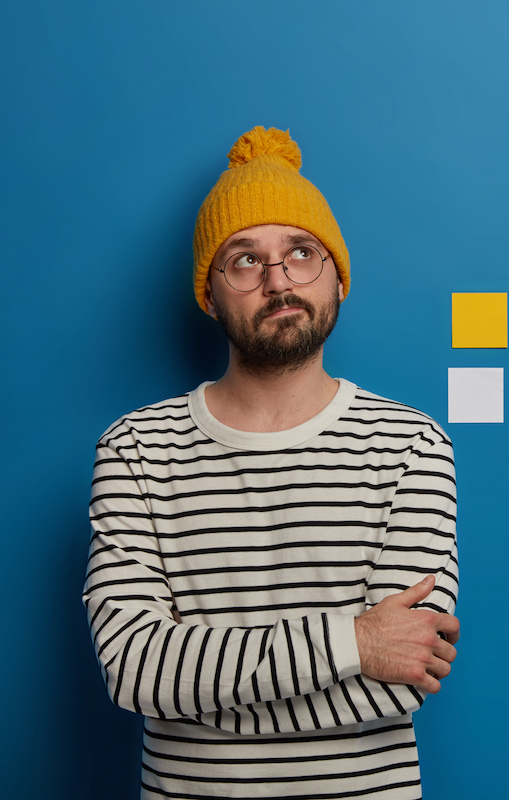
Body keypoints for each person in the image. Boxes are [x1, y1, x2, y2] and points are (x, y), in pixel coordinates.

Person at [83, 126, 460, 799]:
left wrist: (201, 695)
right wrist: (354, 644)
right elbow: (135, 671)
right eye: (244, 260)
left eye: (301, 253)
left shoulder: (412, 445)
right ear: (209, 293)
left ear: (338, 277)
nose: (278, 281)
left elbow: (403, 675)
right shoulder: (134, 448)